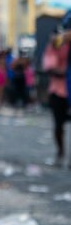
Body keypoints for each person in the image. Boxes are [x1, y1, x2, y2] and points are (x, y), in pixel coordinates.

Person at [42, 13, 71, 167]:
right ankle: (60, 153)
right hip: (58, 90)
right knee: (59, 125)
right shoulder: (55, 45)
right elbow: (50, 67)